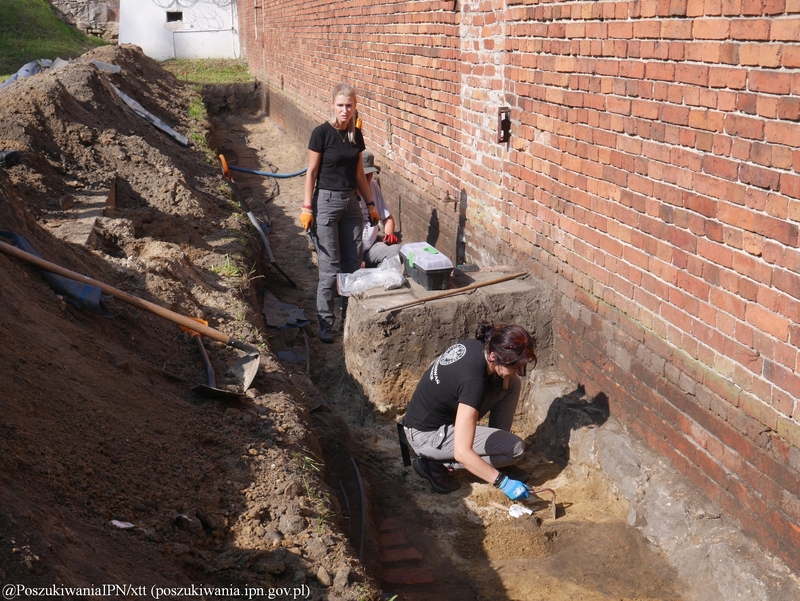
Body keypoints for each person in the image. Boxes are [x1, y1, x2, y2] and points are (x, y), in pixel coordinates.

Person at [400, 321, 536, 500]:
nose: (518, 371)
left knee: (511, 385)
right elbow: (462, 452)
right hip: (425, 436)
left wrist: (508, 371)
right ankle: (433, 463)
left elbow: (502, 379)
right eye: (514, 366)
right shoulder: (473, 382)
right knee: (515, 449)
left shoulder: (479, 347)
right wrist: (503, 482)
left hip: (424, 419)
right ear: (494, 356)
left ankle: (494, 455)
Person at [299, 83, 379, 343]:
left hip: (351, 205)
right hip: (327, 203)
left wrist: (370, 204)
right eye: (340, 105)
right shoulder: (320, 133)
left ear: (355, 106)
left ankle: (348, 319)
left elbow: (358, 174)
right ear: (332, 105)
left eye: (349, 105)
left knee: (352, 266)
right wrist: (307, 207)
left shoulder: (356, 134)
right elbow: (311, 172)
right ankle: (325, 322)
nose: (345, 110)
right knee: (330, 267)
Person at [358, 151, 399, 268]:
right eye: (364, 175)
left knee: (396, 251)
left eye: (370, 174)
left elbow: (388, 218)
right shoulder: (347, 190)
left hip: (370, 248)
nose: (368, 178)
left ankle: (366, 266)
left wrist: (389, 235)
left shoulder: (373, 185)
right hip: (349, 251)